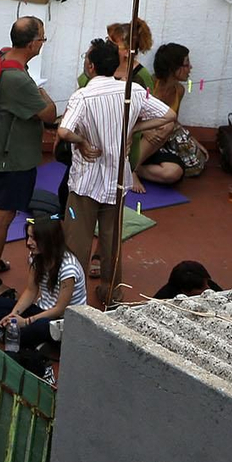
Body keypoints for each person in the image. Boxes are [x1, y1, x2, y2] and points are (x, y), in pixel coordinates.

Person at [58, 39, 173, 305]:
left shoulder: (83, 95)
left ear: (91, 65)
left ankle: (73, 297)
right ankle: (112, 294)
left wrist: (82, 142)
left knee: (77, 241)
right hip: (117, 180)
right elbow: (168, 115)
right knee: (112, 241)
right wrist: (133, 128)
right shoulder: (132, 91)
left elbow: (64, 131)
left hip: (86, 180)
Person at [0, 16, 56, 296]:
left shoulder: (3, 56)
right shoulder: (19, 78)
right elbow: (49, 113)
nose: (43, 42)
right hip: (15, 155)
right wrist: (43, 93)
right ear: (32, 44)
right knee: (3, 215)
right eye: (42, 38)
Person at [0, 216, 85, 374]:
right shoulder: (35, 256)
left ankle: (38, 342)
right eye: (29, 236)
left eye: (34, 238)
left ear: (49, 240)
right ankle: (37, 341)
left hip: (61, 320)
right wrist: (13, 315)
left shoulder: (68, 268)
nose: (28, 242)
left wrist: (25, 322)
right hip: (42, 310)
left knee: (26, 331)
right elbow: (31, 290)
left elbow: (60, 309)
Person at [137, 42, 207, 184]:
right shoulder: (149, 84)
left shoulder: (179, 91)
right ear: (173, 67)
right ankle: (131, 169)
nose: (190, 68)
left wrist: (194, 140)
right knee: (166, 126)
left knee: (174, 173)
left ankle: (134, 169)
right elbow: (128, 115)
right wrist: (145, 132)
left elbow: (173, 120)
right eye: (186, 64)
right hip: (137, 141)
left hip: (158, 144)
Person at [152, 261, 221, 299]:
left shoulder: (209, 286)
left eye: (207, 282)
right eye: (201, 288)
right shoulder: (163, 301)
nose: (208, 288)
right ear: (185, 291)